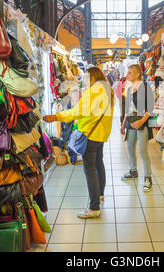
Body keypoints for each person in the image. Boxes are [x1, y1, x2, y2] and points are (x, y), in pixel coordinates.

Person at [43, 67, 114, 219]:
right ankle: (100, 194)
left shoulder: (93, 91)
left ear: (94, 77)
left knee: (90, 170)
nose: (85, 81)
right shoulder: (107, 89)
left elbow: (78, 112)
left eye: (88, 77)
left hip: (90, 133)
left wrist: (57, 117)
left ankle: (94, 207)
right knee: (98, 164)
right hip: (101, 133)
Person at [121, 64, 155, 192]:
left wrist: (141, 122)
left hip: (142, 123)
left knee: (142, 150)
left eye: (129, 73)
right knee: (130, 147)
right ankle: (133, 171)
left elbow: (150, 108)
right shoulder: (129, 89)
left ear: (137, 74)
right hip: (130, 121)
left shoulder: (146, 87)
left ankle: (148, 178)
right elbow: (128, 108)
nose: (127, 75)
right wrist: (123, 123)